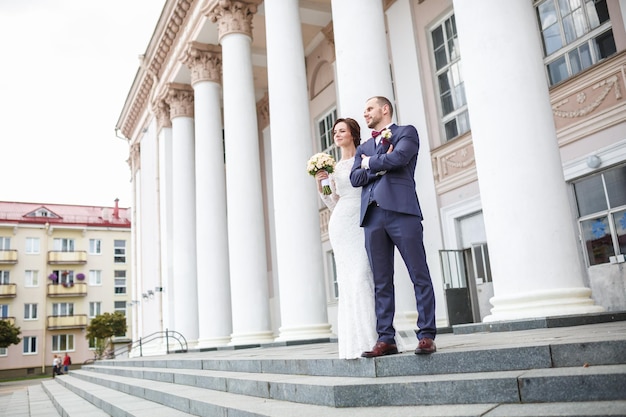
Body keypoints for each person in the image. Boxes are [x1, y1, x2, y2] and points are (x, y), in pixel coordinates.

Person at [350, 96, 437, 357]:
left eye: (369, 109)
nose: (365, 114)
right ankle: (386, 338)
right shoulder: (363, 146)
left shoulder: (406, 132)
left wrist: (369, 163)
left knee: (418, 272)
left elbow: (399, 158)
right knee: (381, 281)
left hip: (402, 211)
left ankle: (426, 335)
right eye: (364, 110)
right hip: (373, 217)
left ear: (384, 109)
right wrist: (376, 165)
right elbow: (355, 178)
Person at [315, 118, 405, 359]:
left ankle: (379, 337)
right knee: (350, 279)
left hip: (367, 216)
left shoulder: (365, 156)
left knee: (365, 274)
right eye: (335, 131)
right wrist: (321, 185)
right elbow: (330, 200)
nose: (337, 134)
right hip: (342, 222)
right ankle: (357, 341)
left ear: (353, 134)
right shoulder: (332, 168)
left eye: (341, 130)